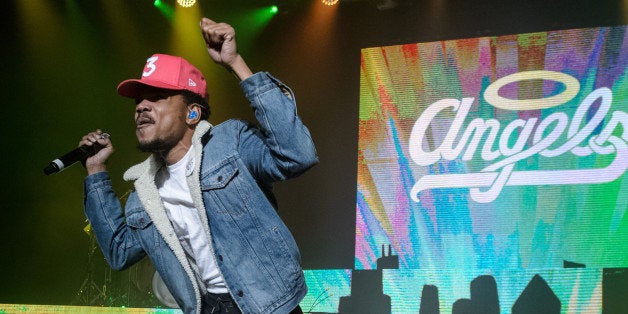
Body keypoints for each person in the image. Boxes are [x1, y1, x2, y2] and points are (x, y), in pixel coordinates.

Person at [80, 17, 318, 314]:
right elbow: (119, 251)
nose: (141, 106)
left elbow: (297, 156)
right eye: (139, 100)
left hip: (268, 305)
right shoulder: (144, 191)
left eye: (157, 97)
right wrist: (95, 170)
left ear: (192, 114)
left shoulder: (230, 141)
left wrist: (237, 64)